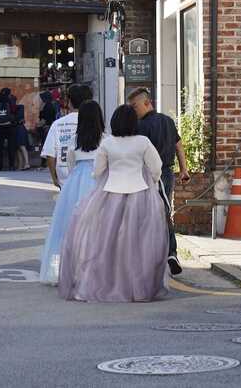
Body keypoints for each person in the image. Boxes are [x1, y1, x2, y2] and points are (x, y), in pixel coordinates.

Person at [59, 105, 168, 303]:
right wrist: (153, 180)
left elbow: (98, 171)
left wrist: (102, 177)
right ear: (134, 122)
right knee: (139, 242)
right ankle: (139, 287)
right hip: (140, 193)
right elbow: (156, 166)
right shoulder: (143, 141)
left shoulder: (108, 144)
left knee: (106, 242)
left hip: (110, 195)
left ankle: (108, 283)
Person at [40, 100, 105, 284]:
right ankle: (96, 271)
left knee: (70, 227)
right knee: (98, 229)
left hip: (74, 184)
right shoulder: (106, 140)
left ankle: (73, 271)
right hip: (98, 183)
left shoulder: (75, 142)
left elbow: (70, 165)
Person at [128, 87, 190, 276]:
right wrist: (184, 170)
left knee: (143, 215)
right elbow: (179, 147)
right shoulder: (168, 121)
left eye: (135, 106)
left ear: (147, 103)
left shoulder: (139, 127)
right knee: (164, 212)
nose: (133, 110)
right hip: (167, 173)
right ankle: (171, 253)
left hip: (146, 174)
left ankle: (152, 256)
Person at [41, 84, 92, 188]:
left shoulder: (58, 124)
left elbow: (50, 155)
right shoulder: (94, 123)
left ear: (69, 102)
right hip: (90, 181)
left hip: (65, 179)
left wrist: (55, 178)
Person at [0, 88, 17, 171]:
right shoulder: (10, 102)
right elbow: (14, 111)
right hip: (9, 126)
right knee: (11, 147)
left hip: (0, 126)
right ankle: (11, 165)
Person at [15, 104, 31, 171]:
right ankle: (21, 165)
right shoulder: (20, 111)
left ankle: (26, 164)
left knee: (21, 146)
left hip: (19, 129)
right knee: (19, 147)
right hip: (20, 129)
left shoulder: (18, 112)